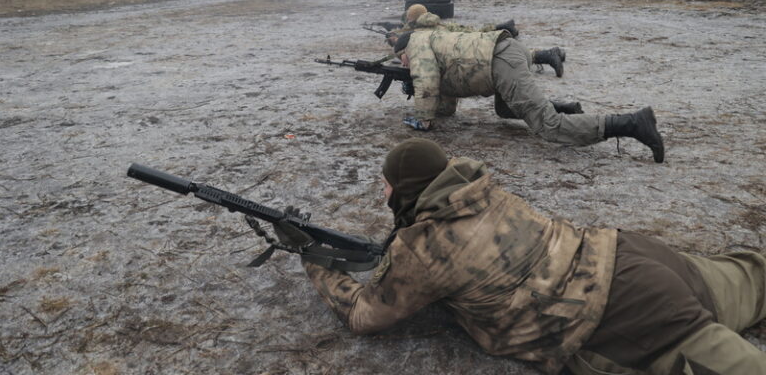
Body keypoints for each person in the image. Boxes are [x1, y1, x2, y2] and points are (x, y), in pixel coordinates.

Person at [300, 138, 766, 375]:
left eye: (385, 187)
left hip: (625, 320)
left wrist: (312, 257)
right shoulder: (481, 193)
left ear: (404, 190)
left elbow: (364, 315)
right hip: (633, 256)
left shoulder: (424, 249)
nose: (382, 195)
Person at [391, 5, 665, 163]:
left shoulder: (416, 42)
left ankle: (632, 123)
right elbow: (448, 105)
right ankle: (565, 108)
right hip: (505, 53)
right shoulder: (436, 36)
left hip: (501, 61)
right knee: (505, 109)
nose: (405, 64)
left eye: (403, 59)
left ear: (405, 48)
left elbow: (426, 80)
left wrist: (422, 118)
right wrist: (433, 106)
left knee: (548, 126)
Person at [389, 4, 566, 78]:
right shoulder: (433, 22)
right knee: (497, 46)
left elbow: (413, 43)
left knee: (499, 54)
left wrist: (398, 45)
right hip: (466, 38)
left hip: (467, 44)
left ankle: (548, 54)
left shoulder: (423, 31)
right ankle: (550, 54)